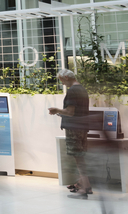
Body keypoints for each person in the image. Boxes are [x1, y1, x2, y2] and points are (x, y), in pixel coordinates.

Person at [49, 69, 91, 199]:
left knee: (78, 158)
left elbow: (70, 111)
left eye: (61, 80)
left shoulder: (72, 91)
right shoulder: (82, 89)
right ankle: (85, 184)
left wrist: (57, 110)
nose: (62, 83)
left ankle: (84, 188)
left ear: (66, 77)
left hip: (74, 128)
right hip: (82, 127)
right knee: (80, 156)